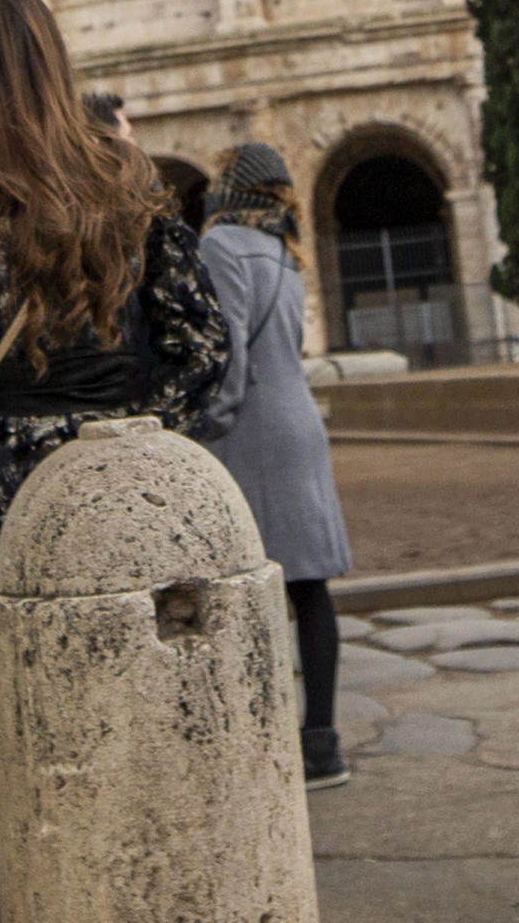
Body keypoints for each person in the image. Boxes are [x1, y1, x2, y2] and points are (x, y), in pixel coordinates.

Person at [0, 0, 227, 893]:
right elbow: (202, 343)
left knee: (23, 784)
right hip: (127, 515)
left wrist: (7, 502)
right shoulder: (124, 172)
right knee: (144, 773)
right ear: (54, 58)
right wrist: (137, 459)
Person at [195, 142, 358, 790]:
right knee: (310, 587)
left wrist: (209, 422)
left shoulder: (223, 246)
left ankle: (257, 740)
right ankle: (323, 746)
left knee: (245, 588)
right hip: (299, 427)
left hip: (252, 432)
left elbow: (230, 348)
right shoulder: (286, 250)